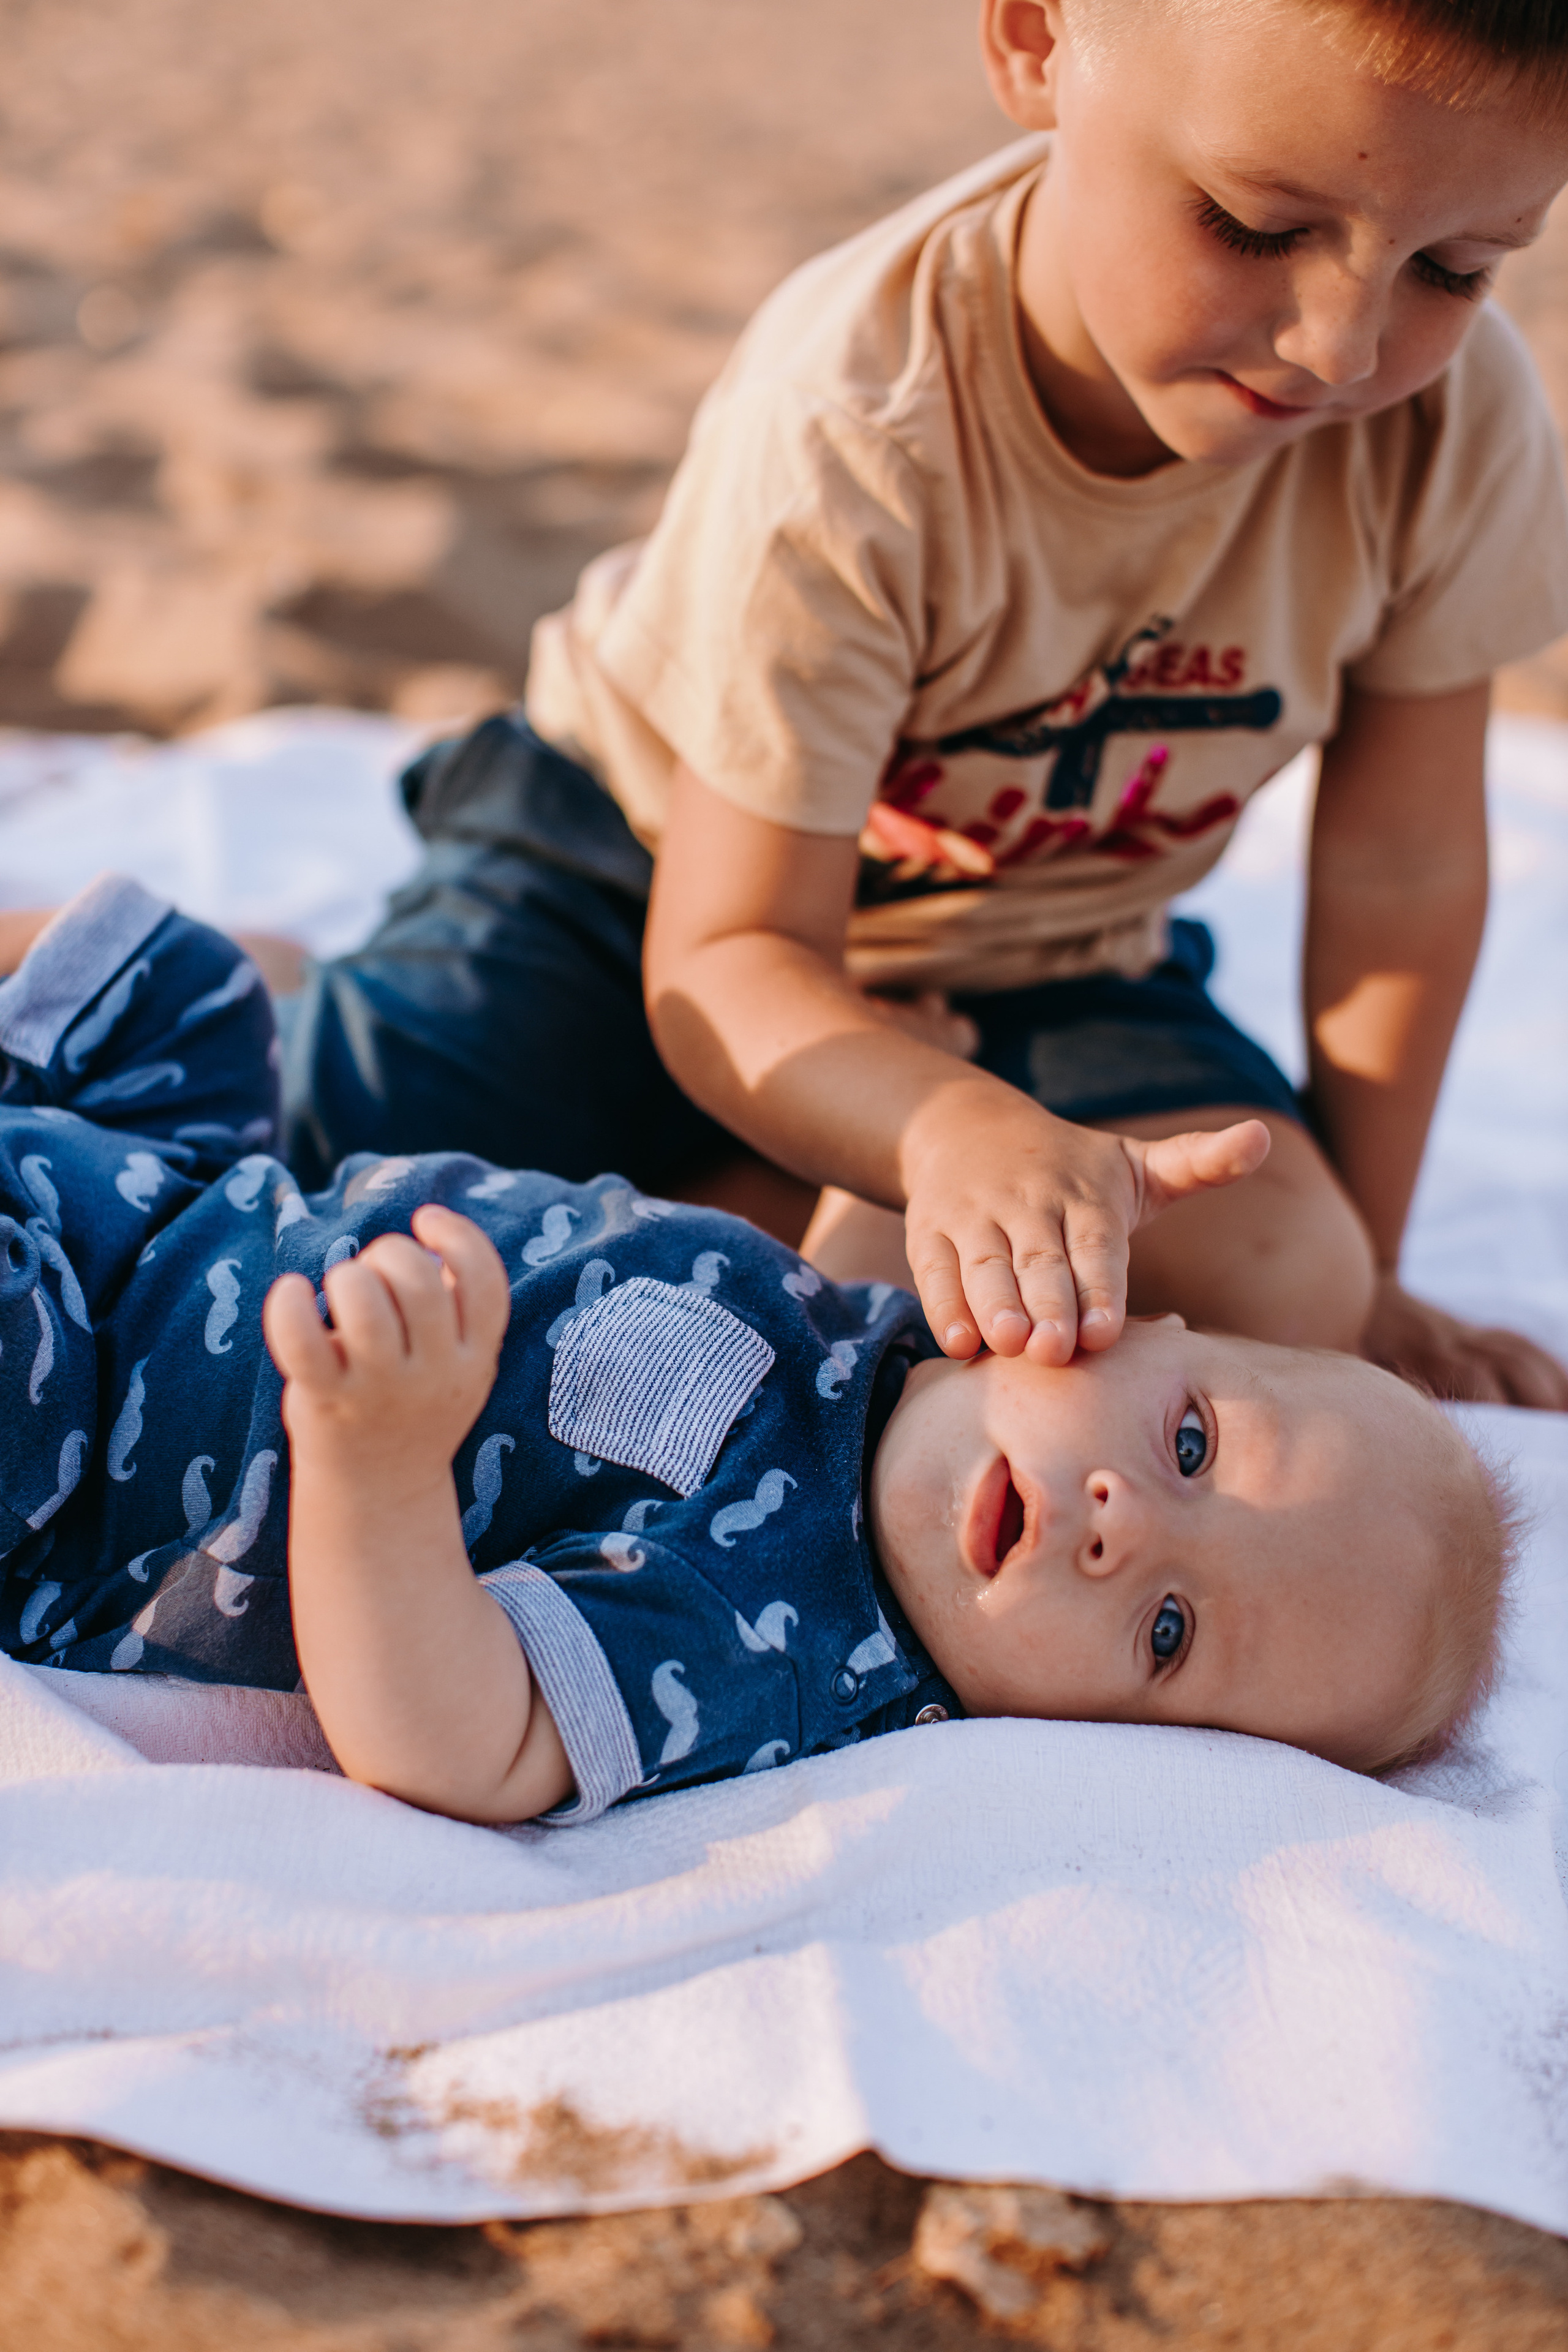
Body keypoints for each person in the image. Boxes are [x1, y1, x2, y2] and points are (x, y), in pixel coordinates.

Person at [270, 0, 1568, 1411]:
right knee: (345, 1175)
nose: (1342, 347)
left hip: (1048, 934)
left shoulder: (1447, 433)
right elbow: (731, 952)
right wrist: (944, 1130)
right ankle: (268, 975)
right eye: (1254, 227)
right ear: (1034, 44)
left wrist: (1371, 1271)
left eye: (1452, 269)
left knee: (1288, 1284)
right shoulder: (857, 419)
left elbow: (1402, 866)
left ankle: (807, 1177)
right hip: (643, 872)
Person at [0, 883, 1509, 1825]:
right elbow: (819, 1280)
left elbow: (462, 1741)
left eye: (1168, 1636)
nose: (1122, 1528)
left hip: (92, 1420)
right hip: (173, 1202)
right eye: (1188, 1445)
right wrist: (928, 1139)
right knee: (180, 992)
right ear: (1147, 1323)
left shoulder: (781, 1635)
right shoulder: (908, 1354)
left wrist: (375, 1466)